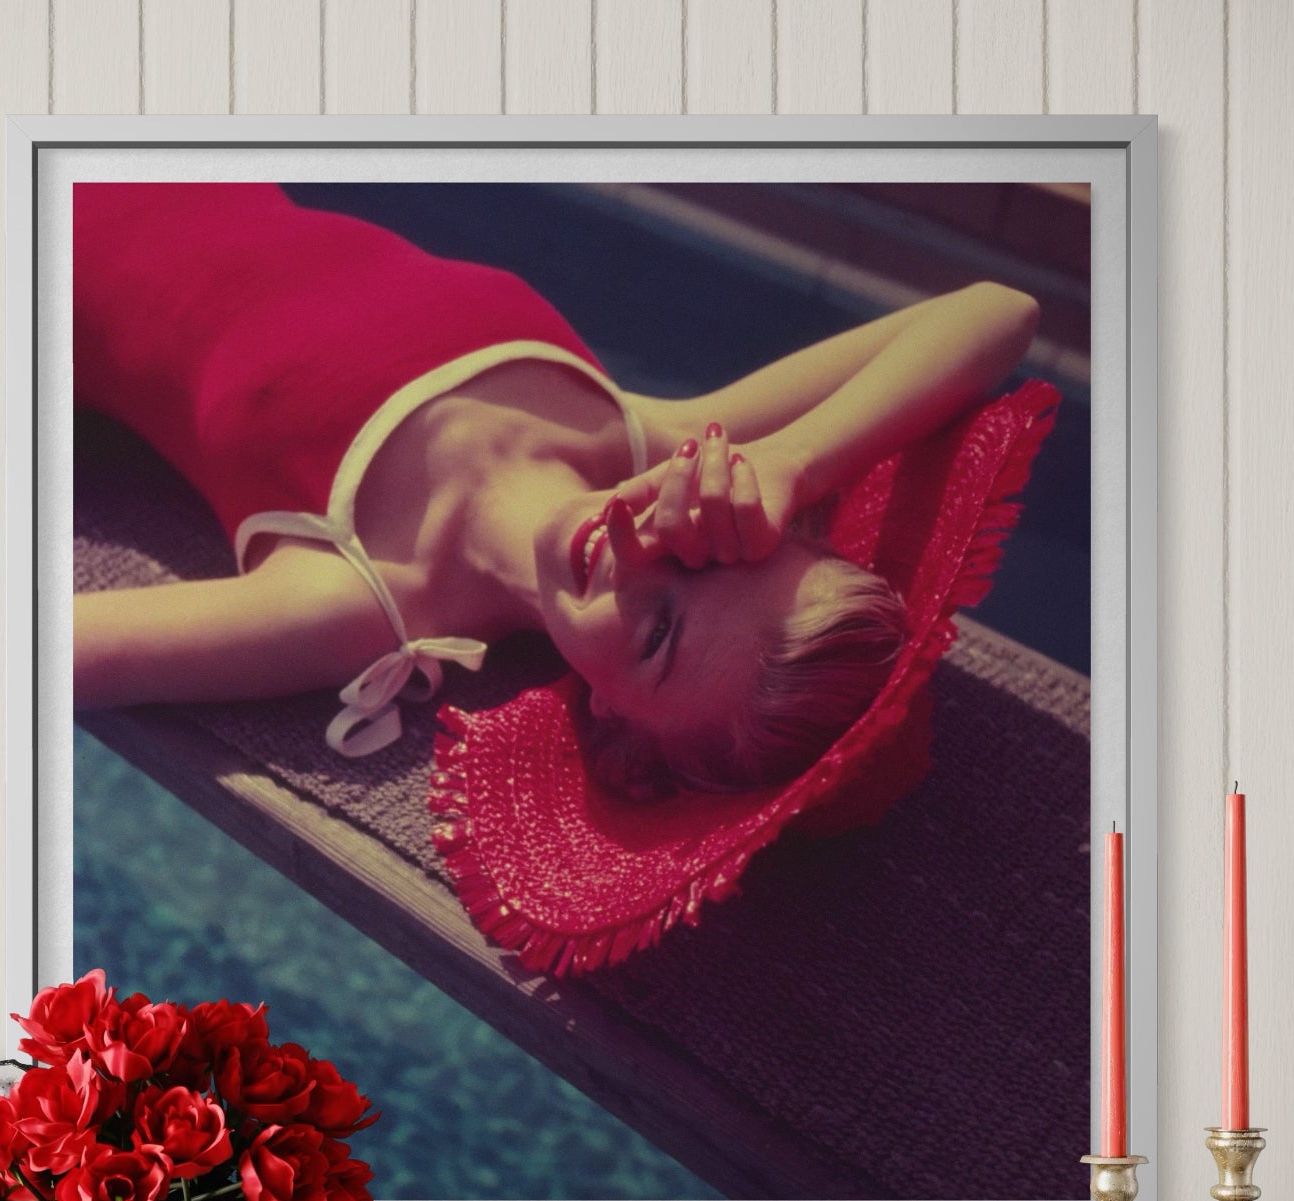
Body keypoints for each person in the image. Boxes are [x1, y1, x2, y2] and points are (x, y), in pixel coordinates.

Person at [72, 182, 1040, 799]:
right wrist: (790, 464)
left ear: (612, 723)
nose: (644, 547)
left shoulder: (353, 596)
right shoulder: (649, 435)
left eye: (658, 631)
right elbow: (995, 313)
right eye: (721, 546)